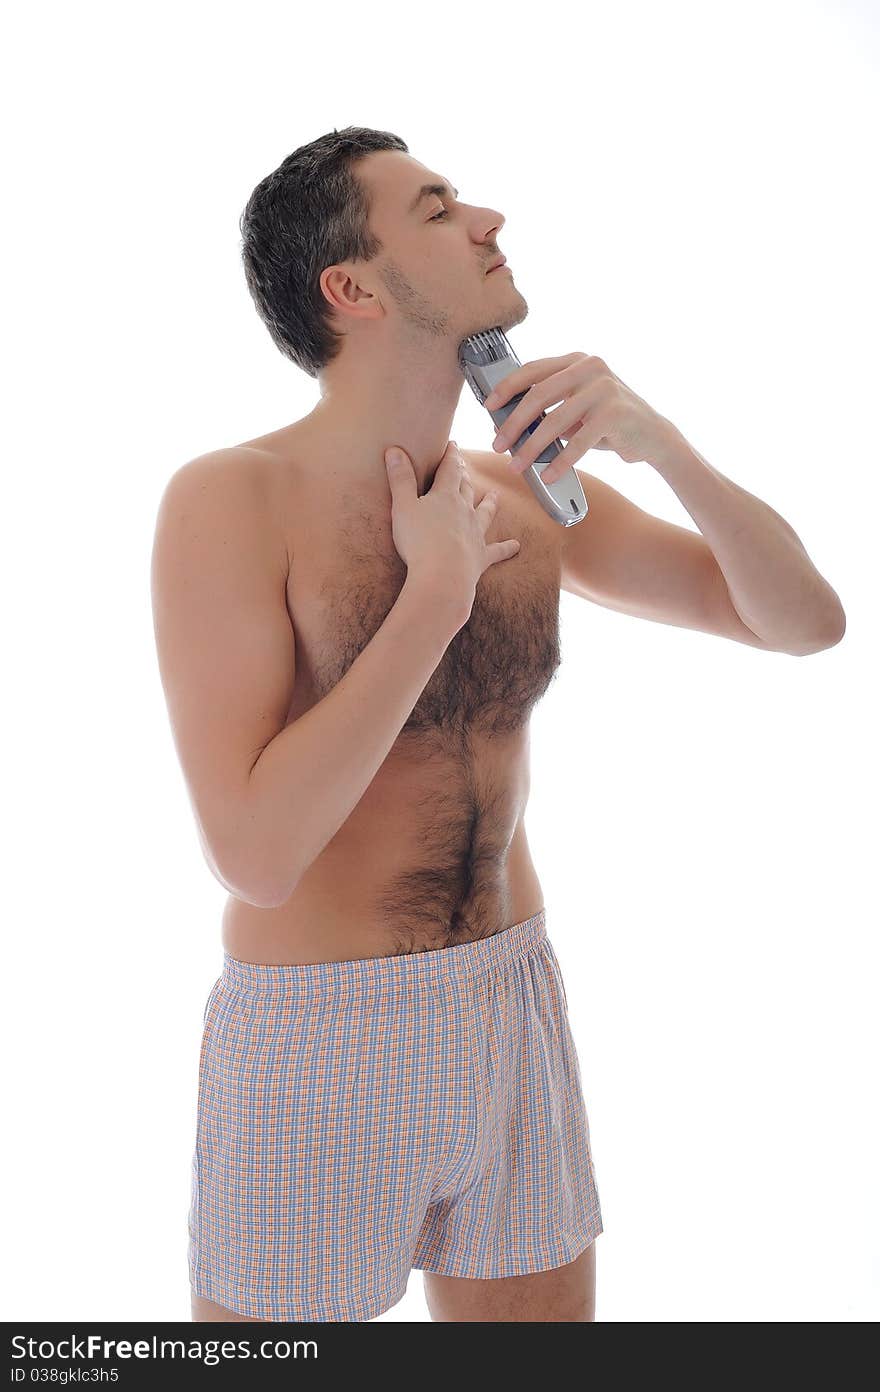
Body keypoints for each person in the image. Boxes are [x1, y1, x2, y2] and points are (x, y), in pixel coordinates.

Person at [150, 126, 845, 1323]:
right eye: (435, 209)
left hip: (506, 1001)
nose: (488, 220)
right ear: (352, 287)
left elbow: (800, 622)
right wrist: (434, 597)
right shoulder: (231, 498)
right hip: (321, 1038)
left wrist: (662, 446)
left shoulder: (522, 490)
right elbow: (255, 855)